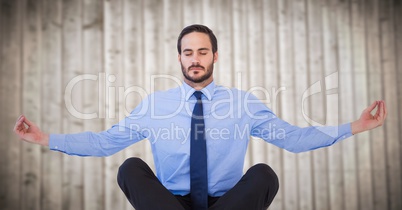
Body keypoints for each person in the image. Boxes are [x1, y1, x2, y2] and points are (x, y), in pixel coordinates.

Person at [14, 24, 387, 210]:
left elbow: (291, 138)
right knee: (129, 167)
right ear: (179, 58)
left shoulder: (243, 103)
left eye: (203, 52)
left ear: (215, 57)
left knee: (264, 174)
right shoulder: (154, 104)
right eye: (188, 52)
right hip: (169, 203)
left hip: (225, 203)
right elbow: (103, 142)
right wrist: (45, 138)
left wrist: (355, 125)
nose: (195, 58)